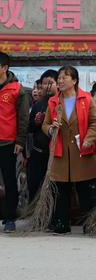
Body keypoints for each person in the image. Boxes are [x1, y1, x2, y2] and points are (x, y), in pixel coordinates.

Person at [42, 66, 96, 234]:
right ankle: (61, 223)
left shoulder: (86, 99)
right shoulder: (53, 101)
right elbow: (45, 125)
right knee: (61, 190)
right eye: (59, 78)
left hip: (82, 151)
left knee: (85, 190)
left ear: (74, 81)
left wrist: (89, 139)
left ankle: (90, 223)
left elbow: (95, 123)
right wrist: (52, 129)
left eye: (64, 78)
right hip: (60, 151)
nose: (60, 81)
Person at [0, 52, 29, 232]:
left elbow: (23, 117)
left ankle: (10, 217)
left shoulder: (17, 89)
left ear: (4, 68)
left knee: (10, 180)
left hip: (8, 142)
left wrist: (20, 140)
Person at [27, 69, 58, 202]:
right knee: (33, 183)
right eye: (44, 84)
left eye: (50, 82)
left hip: (56, 153)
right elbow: (30, 128)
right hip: (38, 151)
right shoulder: (38, 104)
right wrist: (37, 122)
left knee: (54, 187)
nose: (47, 86)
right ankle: (33, 214)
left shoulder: (62, 102)